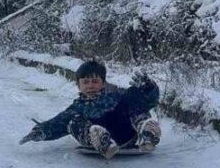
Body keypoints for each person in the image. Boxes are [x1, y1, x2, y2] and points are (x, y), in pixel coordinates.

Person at [18, 60, 162, 159]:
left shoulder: (116, 96)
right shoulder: (77, 107)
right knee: (72, 120)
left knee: (131, 99)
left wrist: (148, 88)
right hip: (96, 138)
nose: (90, 86)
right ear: (78, 85)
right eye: (85, 82)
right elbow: (57, 123)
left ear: (103, 83)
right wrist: (41, 131)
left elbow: (147, 100)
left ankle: (147, 132)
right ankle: (101, 140)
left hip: (126, 134)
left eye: (95, 81)